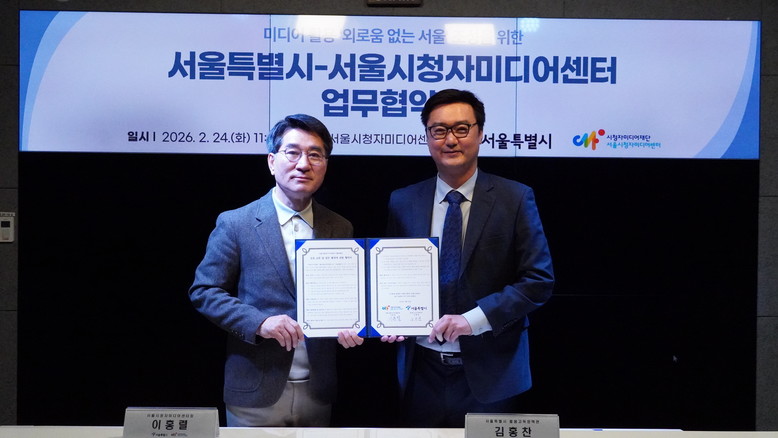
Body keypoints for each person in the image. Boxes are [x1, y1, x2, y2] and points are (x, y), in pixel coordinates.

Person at [382, 89, 554, 427]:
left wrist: (471, 320)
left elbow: (538, 281)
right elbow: (391, 276)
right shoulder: (403, 201)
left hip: (493, 374)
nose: (450, 140)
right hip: (420, 373)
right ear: (427, 136)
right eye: (439, 130)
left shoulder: (515, 198)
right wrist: (387, 318)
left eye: (462, 129)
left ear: (480, 133)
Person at [189, 114, 364, 427]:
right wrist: (260, 322)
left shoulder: (340, 226)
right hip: (255, 387)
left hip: (318, 388)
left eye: (315, 155)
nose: (303, 164)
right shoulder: (236, 223)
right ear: (272, 161)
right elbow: (205, 291)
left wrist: (356, 323)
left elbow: (347, 296)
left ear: (325, 164)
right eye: (292, 152)